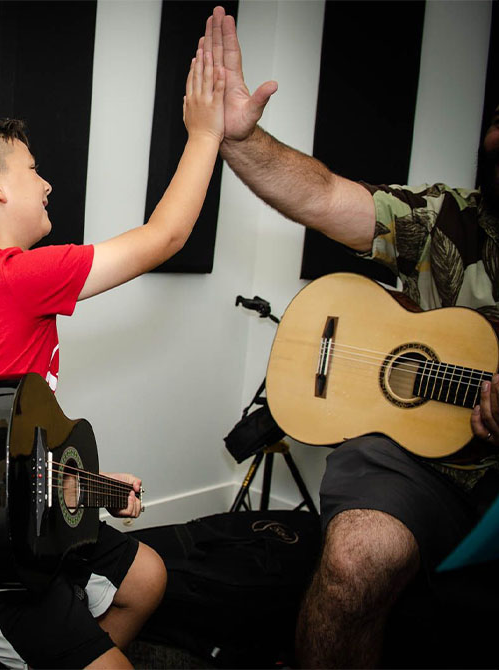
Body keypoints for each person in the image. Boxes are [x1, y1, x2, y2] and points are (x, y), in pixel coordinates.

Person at [0, 47, 224, 669]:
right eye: (33, 171)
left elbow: (8, 437)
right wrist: (206, 132)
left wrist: (87, 487)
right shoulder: (10, 277)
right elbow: (165, 237)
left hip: (3, 492)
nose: (46, 184)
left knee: (146, 576)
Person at [199, 6, 499, 668]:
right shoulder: (452, 219)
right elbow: (327, 196)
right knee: (356, 559)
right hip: (415, 457)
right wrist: (239, 139)